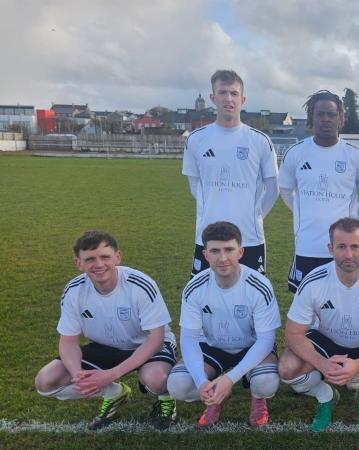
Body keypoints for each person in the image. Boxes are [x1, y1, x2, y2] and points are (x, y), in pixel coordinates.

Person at [34, 230, 177, 430]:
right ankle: (114, 393)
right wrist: (77, 374)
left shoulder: (140, 285)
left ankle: (165, 399)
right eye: (90, 259)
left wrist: (110, 374)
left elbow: (156, 339)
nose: (99, 264)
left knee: (156, 379)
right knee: (46, 381)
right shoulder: (74, 291)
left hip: (146, 345)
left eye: (105, 257)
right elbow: (68, 342)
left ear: (117, 257)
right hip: (105, 346)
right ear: (79, 263)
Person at [278, 218, 359, 432]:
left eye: (355, 246)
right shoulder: (314, 281)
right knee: (287, 368)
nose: (349, 255)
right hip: (327, 341)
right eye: (341, 247)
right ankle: (325, 396)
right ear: (331, 249)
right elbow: (293, 334)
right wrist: (322, 364)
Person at [167, 221, 281, 429]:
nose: (222, 258)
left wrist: (230, 379)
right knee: (178, 386)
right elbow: (189, 338)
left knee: (266, 381)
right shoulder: (195, 287)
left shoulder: (259, 286)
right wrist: (202, 382)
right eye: (215, 251)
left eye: (229, 249)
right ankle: (214, 397)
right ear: (205, 255)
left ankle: (257, 398)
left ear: (240, 252)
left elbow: (266, 340)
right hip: (213, 347)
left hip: (252, 346)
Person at [182, 69, 279, 277]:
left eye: (234, 93)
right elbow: (195, 186)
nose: (229, 98)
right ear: (212, 98)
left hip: (249, 238)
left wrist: (254, 215)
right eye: (223, 92)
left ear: (242, 99)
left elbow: (273, 189)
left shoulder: (260, 141)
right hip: (207, 238)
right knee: (206, 295)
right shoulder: (196, 140)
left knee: (253, 296)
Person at [279, 90, 359, 293]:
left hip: (344, 247)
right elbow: (285, 190)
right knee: (305, 303)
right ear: (311, 118)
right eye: (320, 114)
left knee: (343, 299)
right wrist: (299, 211)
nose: (325, 119)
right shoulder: (296, 153)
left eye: (331, 114)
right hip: (307, 244)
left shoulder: (355, 156)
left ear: (340, 119)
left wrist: (354, 217)